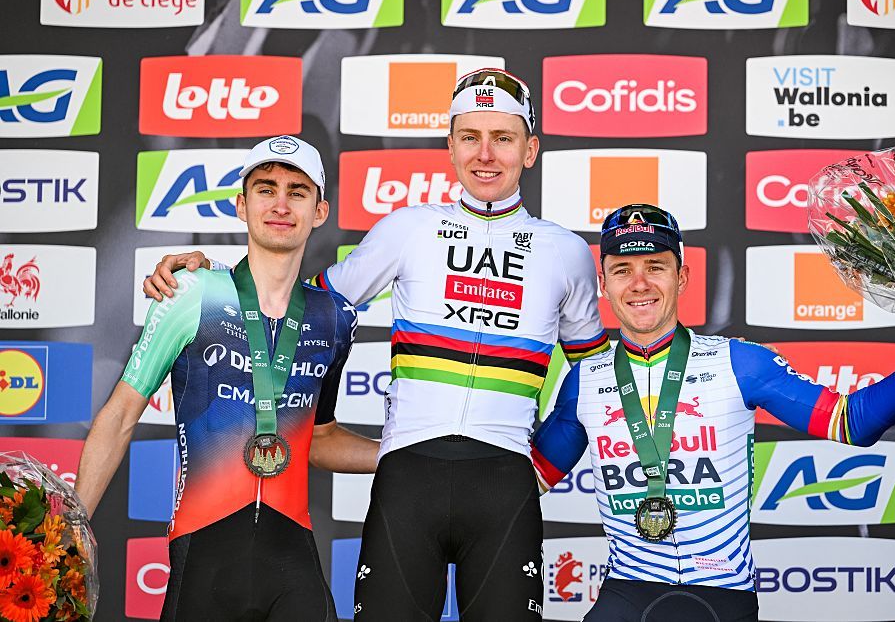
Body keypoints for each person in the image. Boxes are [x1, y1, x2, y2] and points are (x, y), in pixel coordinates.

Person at [141, 70, 610, 621]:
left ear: (530, 149)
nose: (485, 154)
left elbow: (594, 377)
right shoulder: (406, 229)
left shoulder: (568, 252)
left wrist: (545, 466)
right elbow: (300, 300)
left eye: (503, 138)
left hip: (505, 483)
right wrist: (214, 280)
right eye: (469, 137)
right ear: (450, 146)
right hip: (407, 477)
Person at [530, 203, 895, 622]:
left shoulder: (740, 363)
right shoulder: (584, 381)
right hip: (625, 592)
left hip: (720, 595)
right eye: (622, 270)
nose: (639, 284)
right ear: (603, 284)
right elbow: (527, 481)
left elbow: (854, 422)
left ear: (682, 277)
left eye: (655, 267)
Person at [76, 135, 378, 621]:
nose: (281, 203)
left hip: (292, 558)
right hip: (204, 561)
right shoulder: (191, 292)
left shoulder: (333, 317)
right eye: (266, 189)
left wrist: (401, 456)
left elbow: (317, 440)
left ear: (320, 211)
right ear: (242, 205)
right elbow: (119, 417)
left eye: (297, 192)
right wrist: (71, 529)